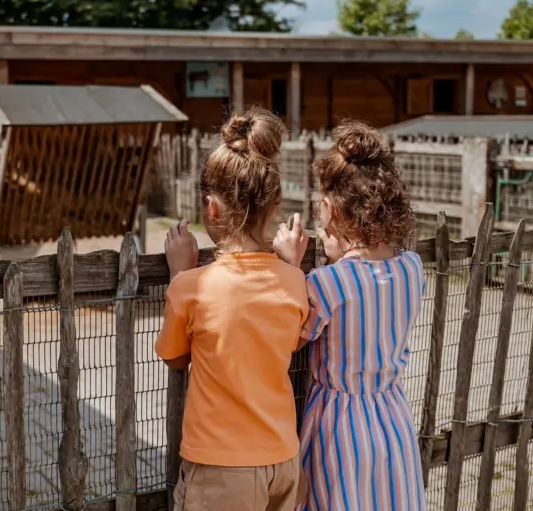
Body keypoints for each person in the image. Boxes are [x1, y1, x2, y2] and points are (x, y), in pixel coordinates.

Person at [156, 106, 308, 511]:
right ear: (274, 207)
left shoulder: (192, 287)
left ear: (212, 209)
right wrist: (291, 265)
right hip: (284, 460)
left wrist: (177, 275)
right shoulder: (295, 281)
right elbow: (290, 341)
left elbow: (173, 356)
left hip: (222, 468)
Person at [273, 121, 426, 510]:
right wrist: (344, 256)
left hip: (340, 427)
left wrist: (292, 268)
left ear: (334, 209)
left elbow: (292, 337)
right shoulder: (412, 267)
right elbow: (372, 284)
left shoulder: (329, 283)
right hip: (392, 421)